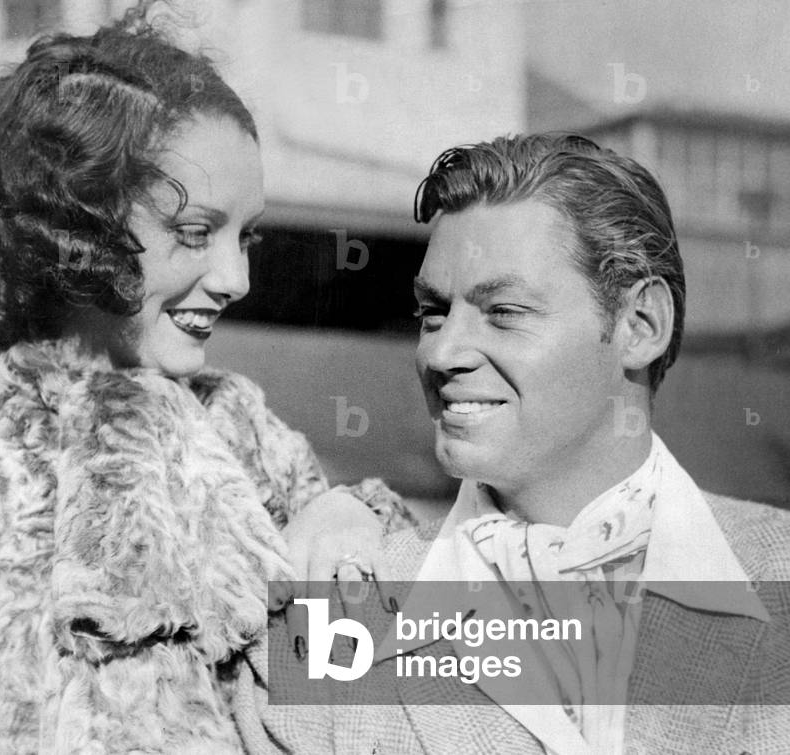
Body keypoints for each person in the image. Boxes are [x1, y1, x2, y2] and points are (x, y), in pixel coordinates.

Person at [0, 16, 413, 754]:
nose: (237, 279)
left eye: (248, 236)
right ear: (75, 224)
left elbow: (376, 694)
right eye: (197, 232)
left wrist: (353, 523)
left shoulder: (239, 428)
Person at [237, 134, 790, 754]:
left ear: (641, 326)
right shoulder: (327, 614)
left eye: (503, 311)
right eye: (433, 313)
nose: (441, 354)